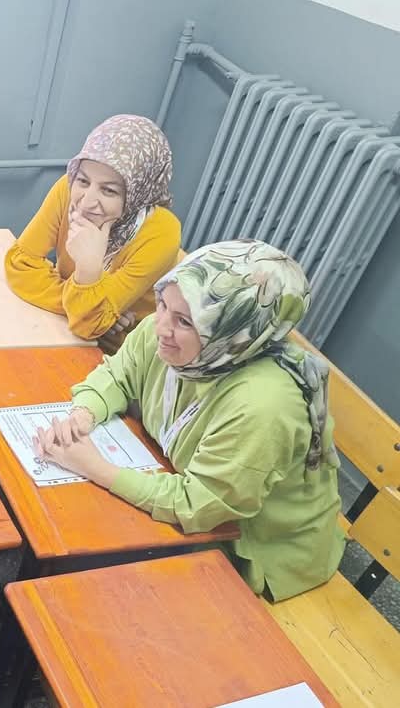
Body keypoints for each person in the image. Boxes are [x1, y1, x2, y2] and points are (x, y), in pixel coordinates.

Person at [37, 240, 345, 601]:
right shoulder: (185, 339)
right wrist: (84, 413)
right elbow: (119, 374)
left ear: (233, 334)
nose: (160, 327)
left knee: (104, 583)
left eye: (185, 321)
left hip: (256, 546)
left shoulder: (263, 405)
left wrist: (96, 468)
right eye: (163, 304)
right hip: (176, 482)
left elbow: (200, 505)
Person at [5, 114, 180, 349]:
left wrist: (88, 267)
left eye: (109, 191)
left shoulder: (162, 232)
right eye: (84, 181)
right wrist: (88, 307)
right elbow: (20, 264)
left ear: (138, 192)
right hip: (63, 326)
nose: (86, 202)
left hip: (120, 348)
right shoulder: (67, 189)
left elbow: (87, 326)